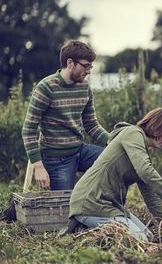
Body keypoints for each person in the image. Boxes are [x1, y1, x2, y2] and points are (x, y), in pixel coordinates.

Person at [69, 108, 162, 241]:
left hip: (109, 205)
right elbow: (145, 171)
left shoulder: (140, 152)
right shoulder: (133, 134)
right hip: (92, 202)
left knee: (148, 236)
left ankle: (89, 227)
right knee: (140, 239)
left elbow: (150, 196)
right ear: (155, 126)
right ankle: (88, 231)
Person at [22, 40, 108, 190]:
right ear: (70, 63)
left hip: (80, 151)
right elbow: (28, 130)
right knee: (64, 208)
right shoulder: (46, 88)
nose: (89, 71)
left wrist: (113, 141)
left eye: (90, 66)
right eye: (86, 66)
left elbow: (91, 124)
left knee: (114, 161)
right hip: (56, 160)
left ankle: (112, 210)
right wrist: (38, 166)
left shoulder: (84, 88)